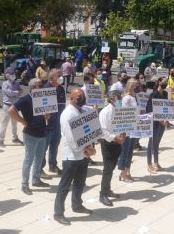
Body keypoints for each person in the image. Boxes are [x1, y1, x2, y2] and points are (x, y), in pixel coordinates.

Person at [53, 87, 96, 225]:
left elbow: (88, 131)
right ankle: (58, 213)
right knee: (64, 186)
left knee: (80, 183)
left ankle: (77, 205)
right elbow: (72, 138)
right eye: (79, 97)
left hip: (83, 156)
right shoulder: (68, 114)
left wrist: (90, 148)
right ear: (71, 98)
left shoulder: (82, 111)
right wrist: (87, 149)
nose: (82, 98)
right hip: (71, 156)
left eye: (83, 96)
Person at [8, 78, 50, 195]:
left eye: (41, 85)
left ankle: (36, 179)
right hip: (30, 134)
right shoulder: (25, 99)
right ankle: (24, 184)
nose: (41, 88)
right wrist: (22, 121)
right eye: (38, 86)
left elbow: (46, 113)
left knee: (39, 158)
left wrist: (47, 116)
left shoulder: (43, 98)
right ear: (32, 87)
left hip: (42, 132)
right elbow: (11, 111)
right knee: (29, 159)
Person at [98, 90, 126, 206]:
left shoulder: (119, 110)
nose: (120, 99)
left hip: (118, 143)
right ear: (112, 99)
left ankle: (107, 189)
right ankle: (102, 195)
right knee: (107, 169)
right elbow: (104, 131)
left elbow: (122, 123)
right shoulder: (105, 112)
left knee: (112, 168)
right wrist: (115, 138)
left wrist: (123, 133)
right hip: (108, 144)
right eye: (118, 97)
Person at [116, 79, 140, 182]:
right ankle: (122, 172)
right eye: (134, 86)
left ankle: (128, 171)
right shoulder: (126, 98)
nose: (136, 87)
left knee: (130, 152)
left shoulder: (134, 97)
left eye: (136, 85)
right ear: (130, 86)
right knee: (125, 152)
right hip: (127, 128)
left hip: (134, 128)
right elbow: (124, 113)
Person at [42, 69, 65, 175]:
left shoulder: (61, 89)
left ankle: (53, 166)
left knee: (55, 145)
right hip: (47, 124)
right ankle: (40, 167)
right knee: (43, 147)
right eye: (58, 75)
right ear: (51, 78)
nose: (61, 77)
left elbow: (63, 107)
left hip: (58, 123)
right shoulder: (44, 89)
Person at [146, 78, 169, 173]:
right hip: (154, 122)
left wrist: (166, 119)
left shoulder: (165, 94)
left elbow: (167, 107)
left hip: (162, 122)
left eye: (166, 82)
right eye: (163, 81)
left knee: (157, 143)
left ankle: (156, 162)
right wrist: (159, 120)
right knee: (151, 143)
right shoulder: (153, 94)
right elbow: (150, 109)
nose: (165, 83)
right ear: (159, 82)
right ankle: (149, 164)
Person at [0, 72, 23, 147]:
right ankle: (1, 139)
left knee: (14, 123)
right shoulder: (5, 84)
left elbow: (21, 90)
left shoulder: (16, 83)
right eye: (11, 74)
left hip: (15, 106)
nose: (13, 76)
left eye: (13, 74)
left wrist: (19, 91)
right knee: (4, 123)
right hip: (7, 105)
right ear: (7, 76)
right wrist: (17, 92)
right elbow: (9, 93)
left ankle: (15, 137)